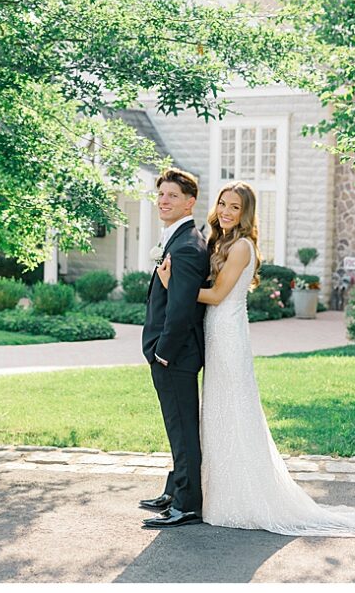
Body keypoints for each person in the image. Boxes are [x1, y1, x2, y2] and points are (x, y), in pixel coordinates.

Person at [156, 181, 355, 537]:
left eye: (235, 207)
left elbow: (216, 295)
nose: (226, 211)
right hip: (216, 333)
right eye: (223, 204)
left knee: (233, 409)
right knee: (217, 413)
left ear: (246, 213)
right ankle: (218, 491)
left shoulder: (242, 247)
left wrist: (173, 285)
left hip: (228, 335)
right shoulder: (222, 241)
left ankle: (245, 495)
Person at [139, 168, 210, 529]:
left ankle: (187, 504)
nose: (163, 201)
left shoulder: (186, 246)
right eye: (161, 194)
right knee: (177, 427)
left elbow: (182, 309)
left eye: (172, 196)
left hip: (175, 356)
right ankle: (175, 488)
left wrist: (162, 352)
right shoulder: (178, 238)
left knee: (183, 429)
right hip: (172, 354)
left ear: (189, 202)